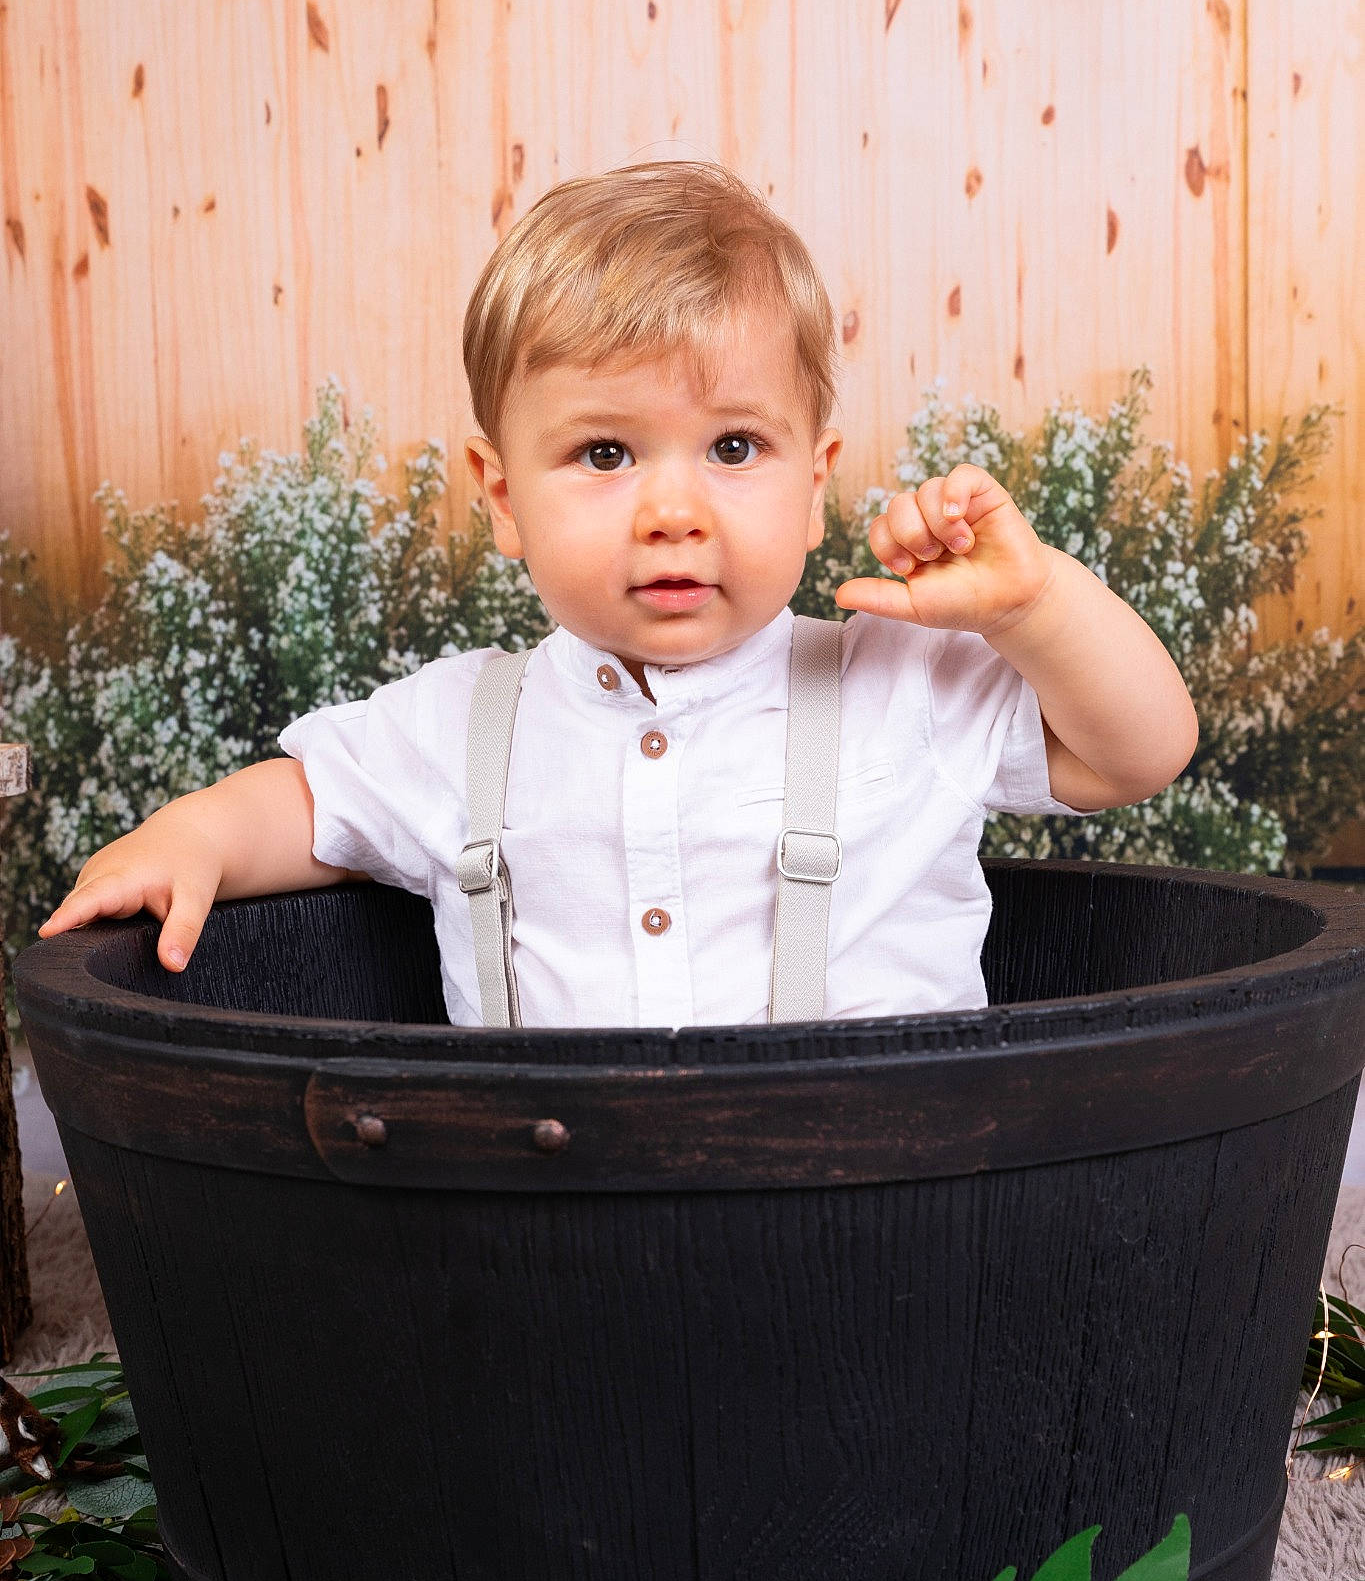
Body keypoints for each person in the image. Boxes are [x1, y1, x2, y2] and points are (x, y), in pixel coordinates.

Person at [38, 161, 1199, 1026]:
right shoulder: (463, 726)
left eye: (736, 448)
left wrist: (1029, 606)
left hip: (879, 1231)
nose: (673, 509)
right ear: (501, 496)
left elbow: (1140, 749)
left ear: (814, 485)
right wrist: (188, 835)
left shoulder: (904, 688)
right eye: (605, 455)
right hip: (558, 1247)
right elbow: (302, 805)